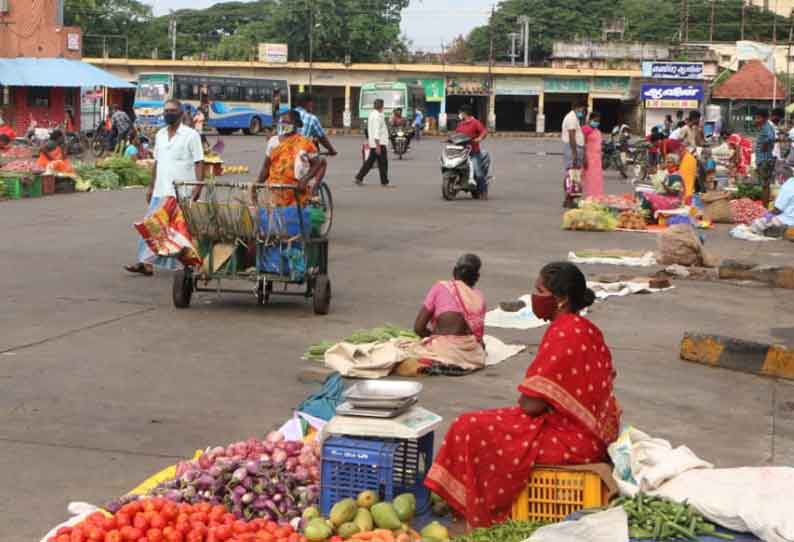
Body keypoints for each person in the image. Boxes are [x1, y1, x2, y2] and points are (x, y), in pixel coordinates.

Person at [424, 262, 620, 528]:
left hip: (571, 440)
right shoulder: (586, 329)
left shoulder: (564, 332)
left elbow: (532, 405)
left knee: (469, 427)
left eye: (539, 291)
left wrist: (529, 400)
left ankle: (483, 512)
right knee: (486, 423)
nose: (534, 298)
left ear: (560, 299)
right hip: (592, 435)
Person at [125, 99, 204, 276]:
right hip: (161, 190)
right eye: (166, 111)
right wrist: (151, 186)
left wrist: (198, 187)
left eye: (172, 111)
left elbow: (199, 162)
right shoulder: (160, 135)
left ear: (181, 113)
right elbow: (158, 162)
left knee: (180, 231)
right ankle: (145, 263)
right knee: (151, 226)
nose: (168, 114)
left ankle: (188, 265)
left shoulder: (191, 135)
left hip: (181, 191)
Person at [409, 254, 487, 373]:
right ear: (477, 277)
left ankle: (444, 360)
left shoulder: (440, 287)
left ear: (454, 271)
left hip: (444, 351)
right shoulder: (479, 297)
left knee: (407, 349)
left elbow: (419, 328)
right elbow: (478, 337)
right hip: (471, 355)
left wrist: (435, 337)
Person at [255, 109, 324, 208]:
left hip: (296, 191)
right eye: (282, 122)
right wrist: (257, 185)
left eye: (287, 122)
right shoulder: (273, 142)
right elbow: (266, 167)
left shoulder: (306, 143)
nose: (284, 124)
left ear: (296, 124)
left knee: (294, 220)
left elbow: (317, 164)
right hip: (275, 190)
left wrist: (305, 179)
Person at [455, 104, 489, 199]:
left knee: (478, 172)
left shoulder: (475, 122)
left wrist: (479, 138)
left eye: (460, 113)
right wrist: (449, 139)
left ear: (465, 113)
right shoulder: (461, 124)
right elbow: (456, 134)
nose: (459, 114)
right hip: (461, 151)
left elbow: (484, 131)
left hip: (473, 152)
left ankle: (483, 191)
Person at [355, 98, 390, 186]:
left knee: (370, 162)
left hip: (374, 143)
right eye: (383, 106)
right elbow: (376, 131)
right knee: (383, 163)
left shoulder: (373, 114)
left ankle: (359, 177)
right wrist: (377, 146)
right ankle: (384, 182)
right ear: (381, 106)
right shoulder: (377, 116)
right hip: (379, 143)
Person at [562, 102, 586, 207]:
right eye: (582, 109)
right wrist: (575, 153)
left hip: (575, 148)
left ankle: (568, 199)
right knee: (573, 175)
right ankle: (569, 200)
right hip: (573, 148)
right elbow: (572, 136)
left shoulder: (574, 118)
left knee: (573, 175)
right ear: (577, 108)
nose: (583, 112)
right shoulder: (571, 118)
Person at [755, 109, 777, 206]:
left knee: (765, 185)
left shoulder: (767, 127)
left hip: (765, 159)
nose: (756, 120)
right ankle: (764, 206)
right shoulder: (764, 127)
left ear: (764, 118)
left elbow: (771, 137)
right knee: (764, 185)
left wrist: (765, 144)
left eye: (758, 118)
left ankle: (764, 207)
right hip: (763, 159)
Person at [581, 111, 603, 198]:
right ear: (590, 120)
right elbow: (582, 144)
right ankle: (588, 197)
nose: (596, 122)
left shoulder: (597, 130)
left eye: (598, 121)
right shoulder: (586, 129)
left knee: (596, 179)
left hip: (597, 159)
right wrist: (584, 158)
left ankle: (596, 197)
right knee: (589, 179)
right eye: (595, 120)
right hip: (588, 157)